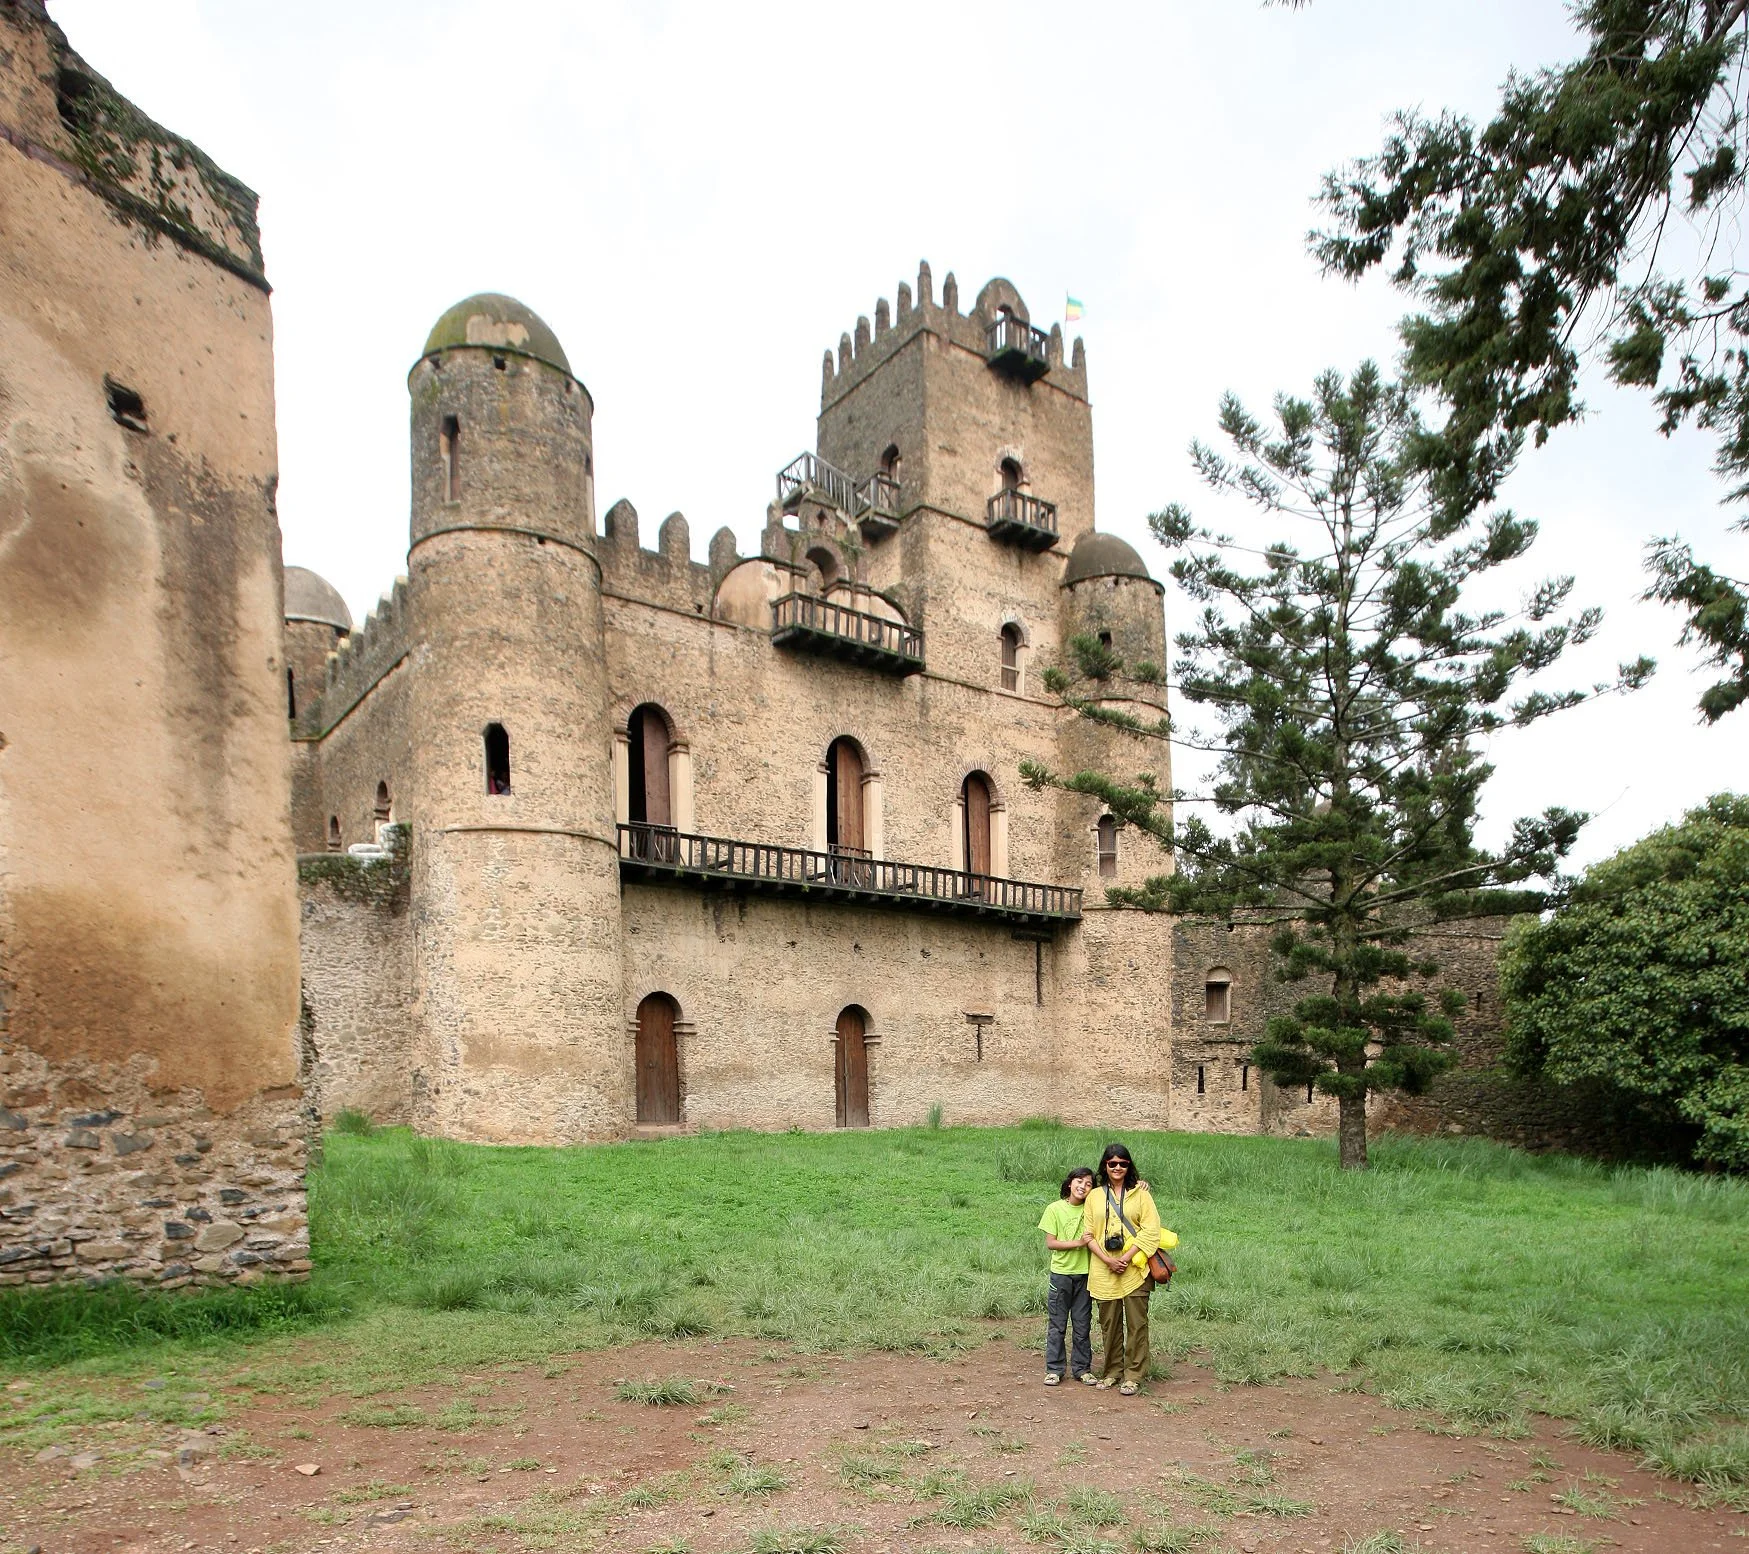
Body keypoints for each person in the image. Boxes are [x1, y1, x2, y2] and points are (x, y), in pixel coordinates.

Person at [1083, 1142, 1171, 1396]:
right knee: (1109, 1325)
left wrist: (1127, 1257)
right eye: (1112, 1164)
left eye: (1123, 1163)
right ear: (1105, 1166)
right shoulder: (1095, 1196)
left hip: (1135, 1269)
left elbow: (1151, 1231)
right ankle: (1112, 1371)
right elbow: (1088, 1234)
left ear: (1129, 1165)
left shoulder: (1141, 1194)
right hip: (1103, 1268)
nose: (1117, 1167)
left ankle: (1133, 1374)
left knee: (1137, 1324)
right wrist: (1108, 1260)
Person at [1037, 1166, 1097, 1386]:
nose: (1083, 1186)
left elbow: (1115, 1192)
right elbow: (1051, 1243)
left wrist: (1139, 1184)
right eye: (1079, 1181)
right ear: (1070, 1183)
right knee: (1057, 1325)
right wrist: (1079, 1243)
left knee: (1082, 1324)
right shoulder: (1054, 1209)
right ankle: (1054, 1369)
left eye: (1089, 1183)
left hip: (1085, 1275)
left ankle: (1082, 1369)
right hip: (1061, 1275)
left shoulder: (1092, 1211)